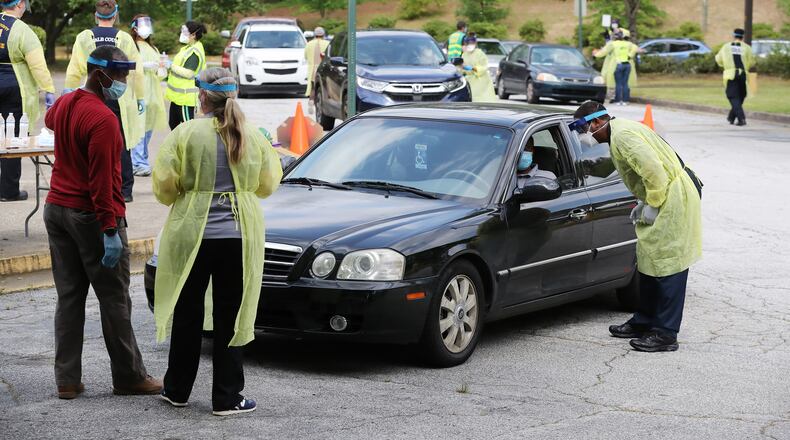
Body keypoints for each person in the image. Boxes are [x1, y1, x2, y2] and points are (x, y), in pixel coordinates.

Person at [152, 67, 282, 416]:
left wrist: (187, 193)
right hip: (238, 237)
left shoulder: (185, 133)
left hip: (192, 234)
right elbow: (268, 184)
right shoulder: (251, 135)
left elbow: (164, 185)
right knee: (230, 315)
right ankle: (227, 397)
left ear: (201, 97)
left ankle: (177, 389)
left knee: (188, 312)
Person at [44, 45, 162, 400]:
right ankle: (128, 377)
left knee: (69, 298)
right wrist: (110, 230)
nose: (123, 83)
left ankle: (67, 380)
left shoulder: (65, 103)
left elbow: (50, 122)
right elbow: (102, 183)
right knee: (114, 299)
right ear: (101, 75)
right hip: (91, 217)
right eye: (121, 76)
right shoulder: (104, 119)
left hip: (56, 210)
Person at [570, 101, 702, 352]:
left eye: (583, 128)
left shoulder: (624, 136)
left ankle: (665, 334)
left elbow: (653, 171)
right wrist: (643, 202)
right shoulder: (618, 132)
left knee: (669, 265)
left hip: (672, 197)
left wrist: (652, 202)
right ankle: (644, 321)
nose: (584, 135)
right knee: (649, 259)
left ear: (598, 122)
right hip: (662, 194)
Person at [65, 0, 145, 203]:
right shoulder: (124, 38)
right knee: (121, 142)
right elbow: (137, 72)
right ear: (115, 15)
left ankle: (93, 187)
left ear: (95, 15)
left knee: (91, 142)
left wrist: (69, 90)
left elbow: (75, 68)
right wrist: (140, 96)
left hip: (92, 94)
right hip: (119, 96)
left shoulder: (84, 37)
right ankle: (124, 191)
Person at [0, 0, 55, 202]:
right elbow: (37, 65)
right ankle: (8, 190)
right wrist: (48, 89)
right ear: (20, 4)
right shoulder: (22, 30)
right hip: (15, 88)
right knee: (13, 137)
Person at [129, 14, 167, 177]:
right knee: (139, 129)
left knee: (148, 131)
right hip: (139, 93)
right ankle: (138, 163)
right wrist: (142, 66)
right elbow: (128, 67)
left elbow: (159, 73)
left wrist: (162, 68)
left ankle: (141, 160)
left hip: (153, 96)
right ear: (134, 28)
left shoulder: (154, 48)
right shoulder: (131, 46)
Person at [165, 21, 207, 129]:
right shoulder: (187, 48)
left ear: (193, 35)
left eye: (184, 32)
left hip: (185, 98)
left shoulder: (194, 51)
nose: (182, 34)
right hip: (177, 98)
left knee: (186, 129)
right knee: (173, 125)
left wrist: (170, 66)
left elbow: (189, 73)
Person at [715, 28, 754, 126]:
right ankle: (731, 117)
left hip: (730, 75)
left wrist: (726, 65)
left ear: (734, 35)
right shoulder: (747, 48)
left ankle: (741, 119)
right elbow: (752, 62)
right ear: (742, 36)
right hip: (743, 75)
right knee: (741, 96)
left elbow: (718, 59)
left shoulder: (726, 47)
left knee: (733, 96)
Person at [594, 31, 637, 105]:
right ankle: (625, 101)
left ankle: (618, 100)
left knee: (618, 84)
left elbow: (603, 52)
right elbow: (635, 47)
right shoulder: (628, 44)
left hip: (618, 65)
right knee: (625, 83)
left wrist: (595, 54)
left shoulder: (613, 44)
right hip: (627, 64)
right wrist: (630, 55)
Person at [461, 33, 497, 103]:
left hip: (481, 81)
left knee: (482, 100)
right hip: (469, 81)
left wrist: (472, 68)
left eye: (472, 43)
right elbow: (461, 69)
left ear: (475, 43)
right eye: (468, 43)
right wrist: (461, 68)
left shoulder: (480, 54)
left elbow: (483, 67)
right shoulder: (464, 54)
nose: (470, 45)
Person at [304, 26, 329, 114]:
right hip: (323, 69)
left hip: (312, 69)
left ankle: (311, 101)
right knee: (323, 87)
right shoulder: (327, 43)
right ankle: (322, 106)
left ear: (315, 34)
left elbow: (305, 57)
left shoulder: (309, 44)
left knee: (313, 87)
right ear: (323, 34)